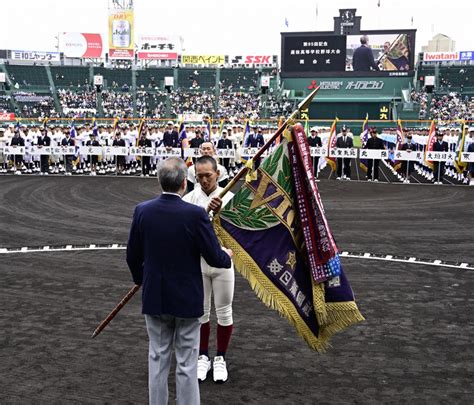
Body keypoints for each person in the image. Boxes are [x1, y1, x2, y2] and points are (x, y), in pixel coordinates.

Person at [126, 157, 232, 405]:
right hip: (186, 298)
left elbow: (132, 255)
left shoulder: (142, 211)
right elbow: (214, 257)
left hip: (156, 296)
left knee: (158, 360)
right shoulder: (195, 215)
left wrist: (141, 279)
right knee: (187, 362)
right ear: (185, 182)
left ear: (159, 181)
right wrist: (226, 257)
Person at [183, 155, 235, 383]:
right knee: (202, 312)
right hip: (198, 264)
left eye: (208, 176)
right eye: (200, 176)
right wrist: (205, 211)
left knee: (224, 312)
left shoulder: (230, 198)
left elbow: (238, 232)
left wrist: (222, 212)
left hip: (224, 264)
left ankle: (220, 358)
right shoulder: (188, 200)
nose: (204, 180)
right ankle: (202, 355)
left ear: (218, 174)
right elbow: (184, 232)